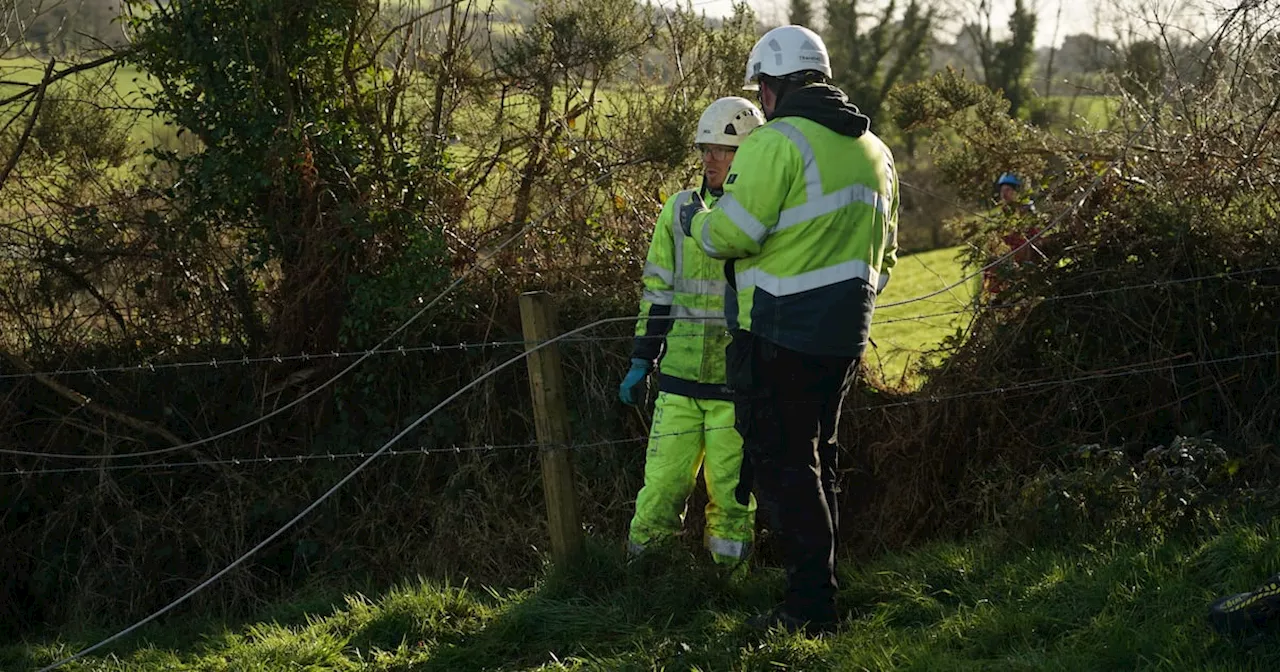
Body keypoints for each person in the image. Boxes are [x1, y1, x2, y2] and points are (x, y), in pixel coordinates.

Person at [678, 25, 899, 634]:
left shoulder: (776, 142)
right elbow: (888, 256)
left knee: (784, 466)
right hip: (846, 335)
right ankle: (823, 588)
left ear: (771, 88)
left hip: (779, 333)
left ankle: (809, 611)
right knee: (820, 460)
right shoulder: (876, 150)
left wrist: (700, 221)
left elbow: (734, 234)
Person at [620, 96, 765, 567]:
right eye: (706, 148)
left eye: (724, 150)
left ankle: (728, 590)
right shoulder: (677, 210)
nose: (711, 158)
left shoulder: (762, 217)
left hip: (735, 387)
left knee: (731, 498)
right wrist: (643, 359)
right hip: (678, 383)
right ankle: (646, 583)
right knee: (660, 489)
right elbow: (657, 290)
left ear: (750, 155)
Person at [983, 172, 1042, 295]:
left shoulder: (1027, 213)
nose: (1004, 194)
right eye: (1002, 190)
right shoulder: (1004, 214)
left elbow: (1035, 241)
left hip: (1024, 267)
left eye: (1008, 190)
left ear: (1018, 192)